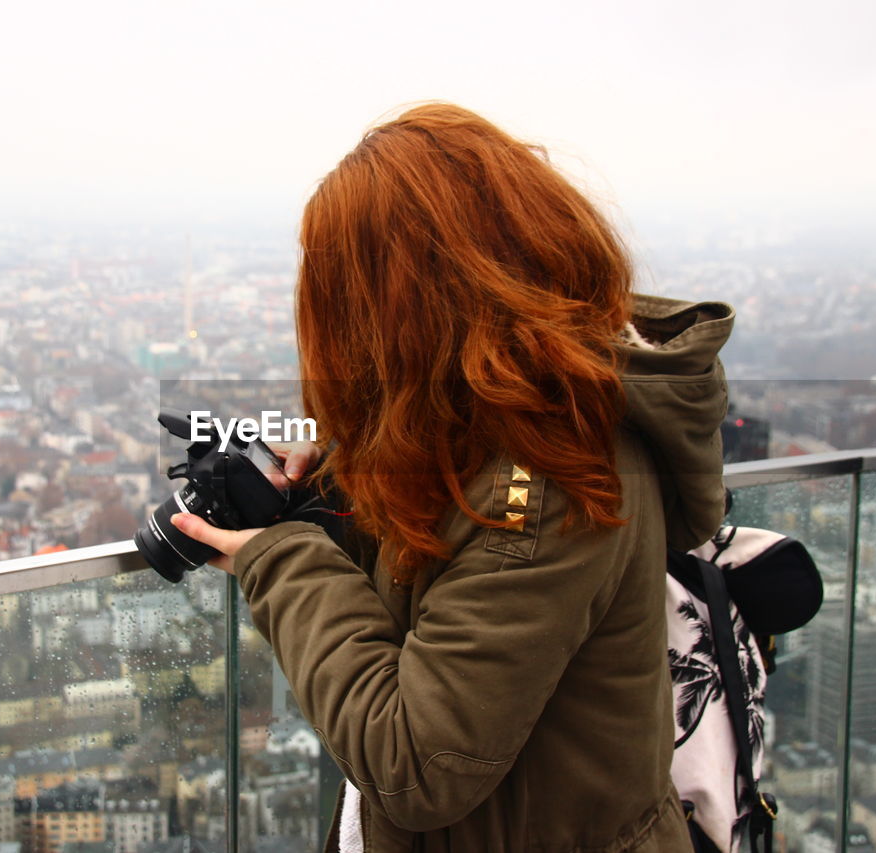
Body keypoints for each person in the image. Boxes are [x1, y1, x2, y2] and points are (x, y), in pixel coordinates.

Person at [172, 103, 734, 852]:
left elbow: (418, 765)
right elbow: (443, 564)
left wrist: (276, 560)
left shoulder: (545, 489)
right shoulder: (529, 415)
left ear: (406, 304)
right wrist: (338, 488)